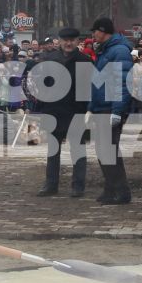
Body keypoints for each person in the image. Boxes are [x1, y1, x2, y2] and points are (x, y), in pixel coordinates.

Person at [29, 27, 89, 196]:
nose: (68, 43)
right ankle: (51, 184)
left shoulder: (84, 61)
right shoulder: (49, 60)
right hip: (53, 110)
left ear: (77, 42)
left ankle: (78, 186)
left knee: (78, 150)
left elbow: (88, 89)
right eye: (65, 40)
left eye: (72, 40)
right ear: (59, 41)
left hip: (76, 112)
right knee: (53, 150)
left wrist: (86, 111)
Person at [86, 16, 135, 205]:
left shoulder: (119, 51)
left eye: (95, 31)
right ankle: (111, 189)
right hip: (102, 107)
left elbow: (123, 83)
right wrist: (92, 107)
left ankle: (121, 191)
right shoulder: (106, 51)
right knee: (103, 150)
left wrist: (117, 110)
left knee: (109, 150)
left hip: (110, 108)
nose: (93, 35)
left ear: (103, 30)